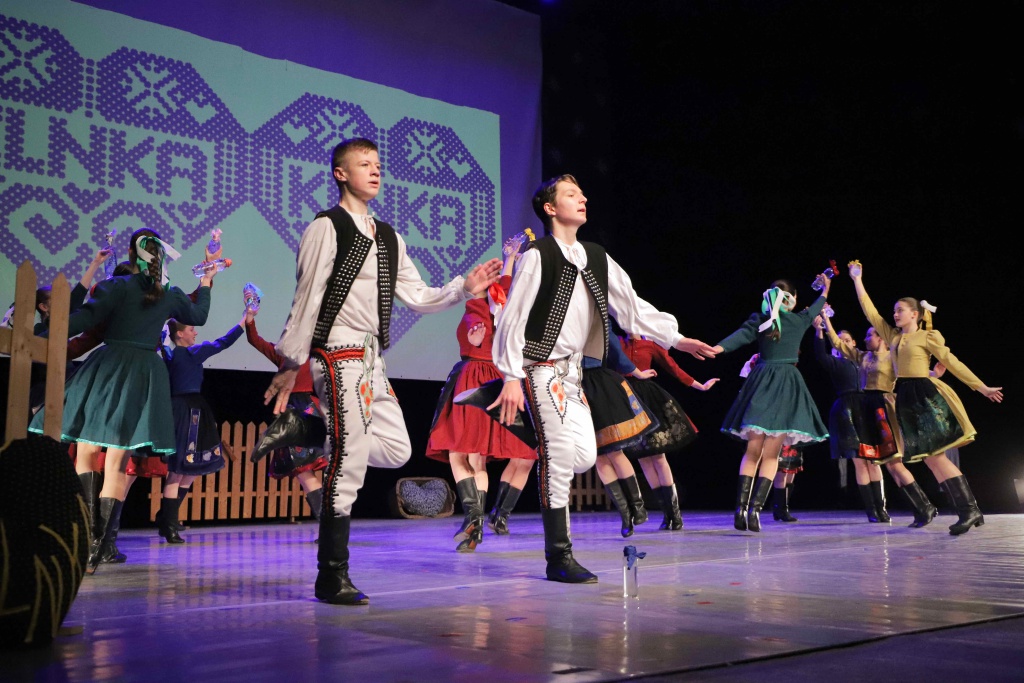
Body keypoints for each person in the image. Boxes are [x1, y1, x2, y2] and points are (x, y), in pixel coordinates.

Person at [263, 137, 501, 605]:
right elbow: (307, 296)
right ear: (340, 174)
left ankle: (311, 428)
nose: (375, 171)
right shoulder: (327, 227)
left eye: (377, 164)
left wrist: (463, 287)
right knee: (349, 460)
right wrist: (291, 362)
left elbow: (418, 295)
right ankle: (332, 574)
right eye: (364, 164)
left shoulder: (389, 236)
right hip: (337, 350)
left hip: (372, 358)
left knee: (395, 448)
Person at [490, 174, 717, 584]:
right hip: (541, 368)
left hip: (575, 373)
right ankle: (559, 556)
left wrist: (677, 339)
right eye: (571, 194)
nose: (583, 199)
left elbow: (632, 307)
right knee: (559, 457)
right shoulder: (538, 255)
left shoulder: (595, 256)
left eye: (582, 193)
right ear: (550, 208)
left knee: (584, 457)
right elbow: (513, 317)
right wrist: (508, 375)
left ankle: (529, 427)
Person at [29, 228, 215, 572]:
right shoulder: (169, 293)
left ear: (131, 255)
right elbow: (199, 315)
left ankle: (87, 541)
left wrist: (41, 332)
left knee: (86, 453)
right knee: (116, 463)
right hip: (143, 374)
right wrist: (206, 281)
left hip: (110, 366)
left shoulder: (117, 287)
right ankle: (99, 547)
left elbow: (82, 321)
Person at [849, 262, 1003, 535]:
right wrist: (857, 280)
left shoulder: (927, 337)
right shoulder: (893, 337)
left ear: (915, 314)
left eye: (900, 310)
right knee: (931, 459)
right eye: (894, 310)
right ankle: (969, 510)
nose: (895, 314)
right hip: (906, 396)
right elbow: (869, 311)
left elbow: (952, 362)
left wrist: (981, 387)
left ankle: (969, 510)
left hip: (924, 395)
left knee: (937, 457)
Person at [426, 233, 536, 552]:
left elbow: (478, 326)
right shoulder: (500, 306)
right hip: (492, 380)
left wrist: (476, 337)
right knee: (478, 460)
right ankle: (475, 523)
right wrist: (511, 258)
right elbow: (506, 284)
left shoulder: (479, 308)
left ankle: (473, 519)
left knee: (458, 453)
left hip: (473, 378)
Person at [711, 275, 830, 533]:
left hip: (762, 383)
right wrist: (826, 286)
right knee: (771, 454)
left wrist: (719, 348)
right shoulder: (799, 320)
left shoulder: (762, 319)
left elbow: (741, 336)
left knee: (753, 451)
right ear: (793, 298)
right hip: (787, 384)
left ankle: (741, 509)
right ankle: (755, 511)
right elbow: (819, 304)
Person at [820, 309, 940, 528]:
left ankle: (925, 507)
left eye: (870, 335)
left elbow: (914, 369)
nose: (866, 339)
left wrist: (933, 374)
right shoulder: (864, 357)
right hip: (869, 410)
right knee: (888, 465)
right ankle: (921, 508)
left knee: (894, 463)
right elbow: (837, 343)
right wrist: (826, 320)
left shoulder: (893, 357)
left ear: (882, 338)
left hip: (885, 409)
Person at [157, 314, 246, 543]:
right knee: (179, 470)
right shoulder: (190, 353)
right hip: (189, 410)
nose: (195, 332)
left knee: (190, 468)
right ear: (180, 334)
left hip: (181, 408)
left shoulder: (168, 353)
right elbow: (222, 342)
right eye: (191, 329)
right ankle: (168, 525)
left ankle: (167, 516)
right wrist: (244, 320)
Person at [245, 299, 329, 535]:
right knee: (305, 472)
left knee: (308, 472)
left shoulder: (317, 355)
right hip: (297, 411)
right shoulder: (284, 355)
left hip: (305, 412)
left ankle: (330, 527)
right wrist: (250, 316)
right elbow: (255, 341)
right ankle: (329, 527)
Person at [619, 332, 719, 530]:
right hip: (626, 399)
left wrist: (699, 385)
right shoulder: (617, 341)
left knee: (658, 456)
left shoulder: (650, 343)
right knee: (643, 458)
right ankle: (666, 513)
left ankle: (675, 514)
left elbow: (672, 367)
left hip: (648, 400)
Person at [812, 312, 890, 523]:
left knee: (874, 461)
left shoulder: (866, 359)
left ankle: (882, 508)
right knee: (860, 462)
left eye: (847, 340)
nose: (844, 343)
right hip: (847, 412)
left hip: (867, 409)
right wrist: (819, 331)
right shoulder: (835, 363)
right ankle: (871, 510)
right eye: (840, 340)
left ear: (854, 343)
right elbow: (820, 355)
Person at [584, 330, 659, 539]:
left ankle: (638, 506)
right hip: (574, 387)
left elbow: (615, 349)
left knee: (614, 451)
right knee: (598, 455)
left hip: (598, 383)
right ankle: (625, 514)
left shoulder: (596, 318)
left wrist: (637, 373)